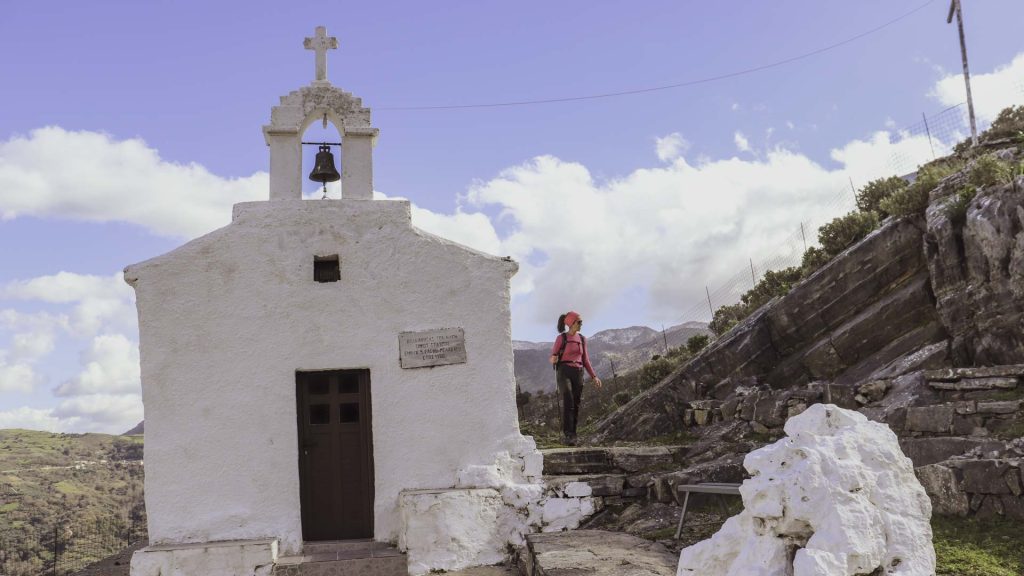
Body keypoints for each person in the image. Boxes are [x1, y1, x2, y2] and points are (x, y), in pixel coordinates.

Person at [549, 311, 602, 446]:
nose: (581, 324)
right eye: (579, 322)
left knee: (576, 403)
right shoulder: (561, 338)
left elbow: (585, 360)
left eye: (581, 322)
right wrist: (554, 359)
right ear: (571, 323)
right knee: (569, 400)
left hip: (578, 372)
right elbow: (552, 357)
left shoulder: (583, 339)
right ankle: (568, 434)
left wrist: (594, 376)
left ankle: (573, 433)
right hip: (564, 371)